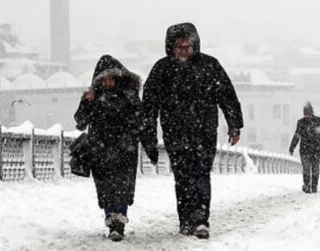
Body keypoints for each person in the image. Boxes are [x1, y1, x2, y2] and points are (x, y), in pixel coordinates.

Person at [143, 23, 243, 239]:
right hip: (175, 132)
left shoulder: (209, 65)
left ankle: (200, 220)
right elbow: (149, 106)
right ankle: (186, 220)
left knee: (201, 174)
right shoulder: (162, 69)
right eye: (179, 47)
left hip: (204, 131)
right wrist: (148, 135)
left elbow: (227, 95)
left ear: (195, 45)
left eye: (188, 46)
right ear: (171, 47)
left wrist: (234, 124)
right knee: (182, 176)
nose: (184, 51)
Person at [74, 55, 158, 242]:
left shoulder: (130, 97)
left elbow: (142, 124)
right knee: (105, 187)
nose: (108, 82)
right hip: (100, 150)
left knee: (122, 186)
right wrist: (87, 101)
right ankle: (111, 218)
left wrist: (150, 146)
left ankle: (118, 222)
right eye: (104, 79)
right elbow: (80, 122)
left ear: (119, 77)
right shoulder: (94, 98)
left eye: (111, 78)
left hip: (124, 150)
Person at [289, 101, 320, 194]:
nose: (308, 116)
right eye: (306, 114)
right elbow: (297, 136)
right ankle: (307, 186)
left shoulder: (318, 121)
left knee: (315, 169)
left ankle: (314, 186)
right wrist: (292, 147)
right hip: (305, 150)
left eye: (309, 114)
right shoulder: (301, 123)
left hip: (315, 149)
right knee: (306, 169)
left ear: (312, 112)